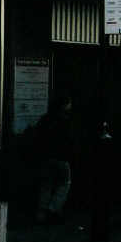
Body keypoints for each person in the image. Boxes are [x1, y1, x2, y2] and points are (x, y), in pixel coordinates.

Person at [35, 96, 74, 224]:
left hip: (46, 157)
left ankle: (42, 212)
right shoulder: (66, 121)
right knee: (64, 184)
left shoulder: (45, 119)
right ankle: (53, 209)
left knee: (46, 185)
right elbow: (69, 140)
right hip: (62, 157)